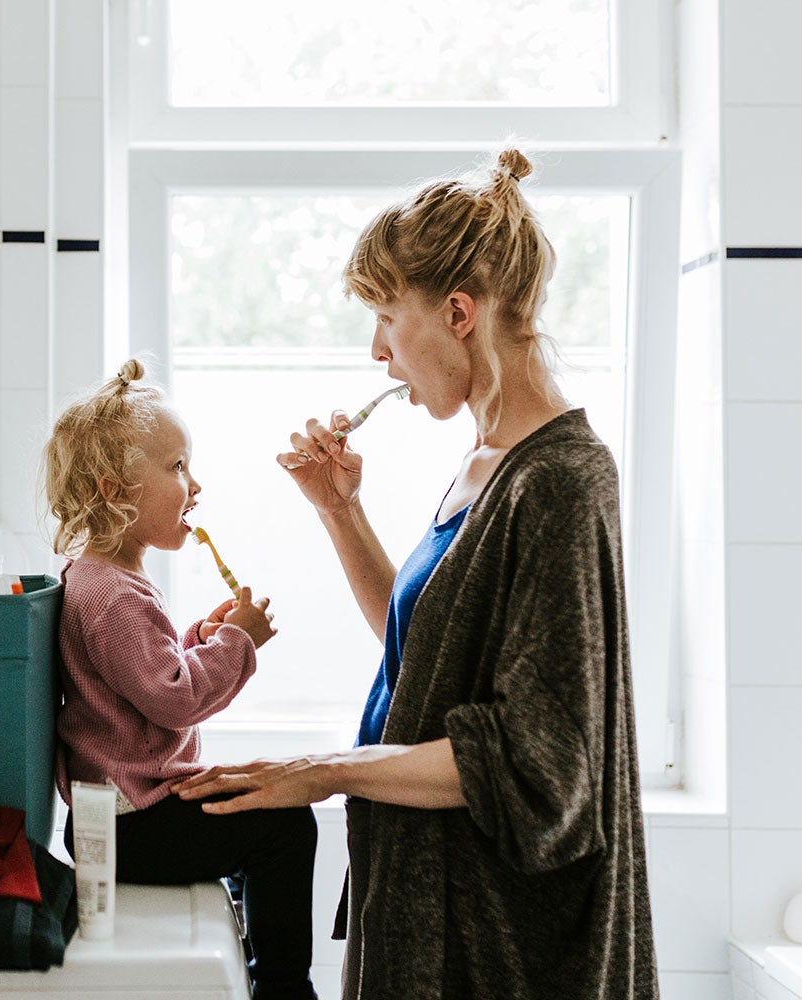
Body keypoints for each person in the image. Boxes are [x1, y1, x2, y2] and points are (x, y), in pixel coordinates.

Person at [175, 149, 659, 1000]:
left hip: (506, 944)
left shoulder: (562, 483)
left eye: (389, 318)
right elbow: (429, 657)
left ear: (460, 313)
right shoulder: (486, 463)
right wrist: (338, 509)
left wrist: (322, 770)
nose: (377, 352)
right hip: (427, 899)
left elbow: (542, 766)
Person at [41, 358, 320, 1000]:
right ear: (116, 492)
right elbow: (175, 698)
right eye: (176, 468)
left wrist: (199, 637)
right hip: (133, 825)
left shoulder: (105, 582)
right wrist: (239, 640)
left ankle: (255, 943)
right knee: (285, 823)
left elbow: (143, 676)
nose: (195, 486)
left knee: (264, 800)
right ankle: (283, 988)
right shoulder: (113, 596)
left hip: (124, 816)